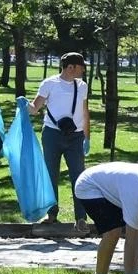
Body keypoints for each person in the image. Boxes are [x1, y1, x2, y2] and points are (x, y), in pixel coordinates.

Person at [29, 52, 90, 231]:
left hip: (75, 136)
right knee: (50, 174)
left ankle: (81, 218)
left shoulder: (82, 86)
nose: (84, 70)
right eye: (81, 66)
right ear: (70, 67)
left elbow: (85, 111)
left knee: (79, 177)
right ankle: (51, 214)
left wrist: (87, 137)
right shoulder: (50, 84)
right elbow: (35, 108)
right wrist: (24, 105)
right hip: (52, 134)